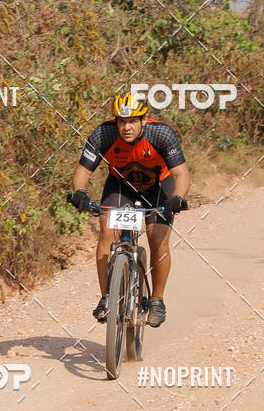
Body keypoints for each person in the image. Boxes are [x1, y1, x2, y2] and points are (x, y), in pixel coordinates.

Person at [70, 92, 190, 327]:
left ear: (144, 120)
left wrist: (177, 197)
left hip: (158, 187)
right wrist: (80, 193)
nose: (126, 127)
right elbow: (82, 171)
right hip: (122, 186)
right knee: (107, 232)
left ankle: (157, 300)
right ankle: (107, 297)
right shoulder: (104, 134)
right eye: (121, 121)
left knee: (157, 238)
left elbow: (181, 173)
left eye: (132, 121)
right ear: (115, 122)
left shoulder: (161, 134)